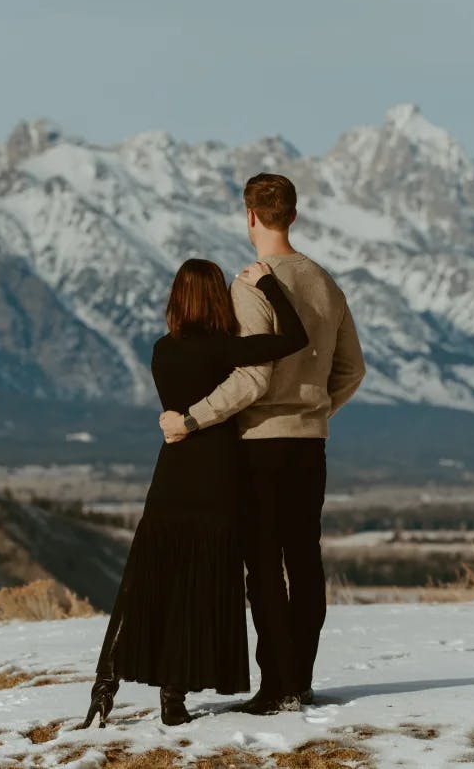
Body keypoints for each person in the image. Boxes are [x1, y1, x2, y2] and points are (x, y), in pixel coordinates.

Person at [160, 173, 366, 715]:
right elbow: (352, 369)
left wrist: (192, 418)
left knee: (263, 567)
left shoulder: (251, 284)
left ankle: (277, 687)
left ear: (250, 216)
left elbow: (251, 379)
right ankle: (300, 680)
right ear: (292, 216)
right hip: (310, 443)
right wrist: (315, 410)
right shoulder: (325, 282)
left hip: (259, 443)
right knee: (304, 560)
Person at [81, 257, 309, 728]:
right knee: (198, 582)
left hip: (171, 474)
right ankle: (173, 697)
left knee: (144, 580)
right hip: (217, 473)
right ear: (217, 299)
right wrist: (267, 285)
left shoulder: (162, 349)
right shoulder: (224, 349)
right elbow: (295, 338)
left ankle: (104, 688)